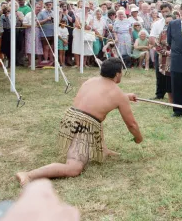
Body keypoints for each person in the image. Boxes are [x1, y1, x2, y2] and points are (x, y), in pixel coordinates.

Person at [16, 58, 143, 186]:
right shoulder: (118, 94)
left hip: (70, 119)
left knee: (97, 118)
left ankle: (103, 149)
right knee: (74, 168)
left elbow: (98, 100)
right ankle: (29, 174)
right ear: (117, 74)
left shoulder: (91, 81)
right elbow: (131, 124)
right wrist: (138, 138)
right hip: (82, 126)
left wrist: (125, 96)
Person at [150, 3, 173, 99]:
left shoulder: (177, 22)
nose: (164, 13)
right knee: (160, 74)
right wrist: (160, 48)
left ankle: (175, 93)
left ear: (171, 10)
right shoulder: (157, 23)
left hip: (173, 53)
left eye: (166, 11)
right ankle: (159, 94)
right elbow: (152, 38)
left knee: (172, 75)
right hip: (160, 52)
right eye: (162, 11)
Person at [155, 14, 173, 103]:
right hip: (165, 60)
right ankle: (171, 101)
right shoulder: (162, 33)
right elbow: (157, 46)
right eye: (167, 23)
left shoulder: (181, 32)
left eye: (170, 23)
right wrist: (165, 52)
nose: (168, 25)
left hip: (178, 60)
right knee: (167, 80)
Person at [38, 0, 54, 64]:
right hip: (44, 33)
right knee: (46, 48)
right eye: (47, 4)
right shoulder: (41, 13)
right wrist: (46, 19)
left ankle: (52, 61)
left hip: (52, 33)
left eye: (50, 4)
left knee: (52, 48)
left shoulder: (53, 13)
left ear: (52, 5)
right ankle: (46, 60)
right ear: (45, 5)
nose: (48, 6)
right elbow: (38, 23)